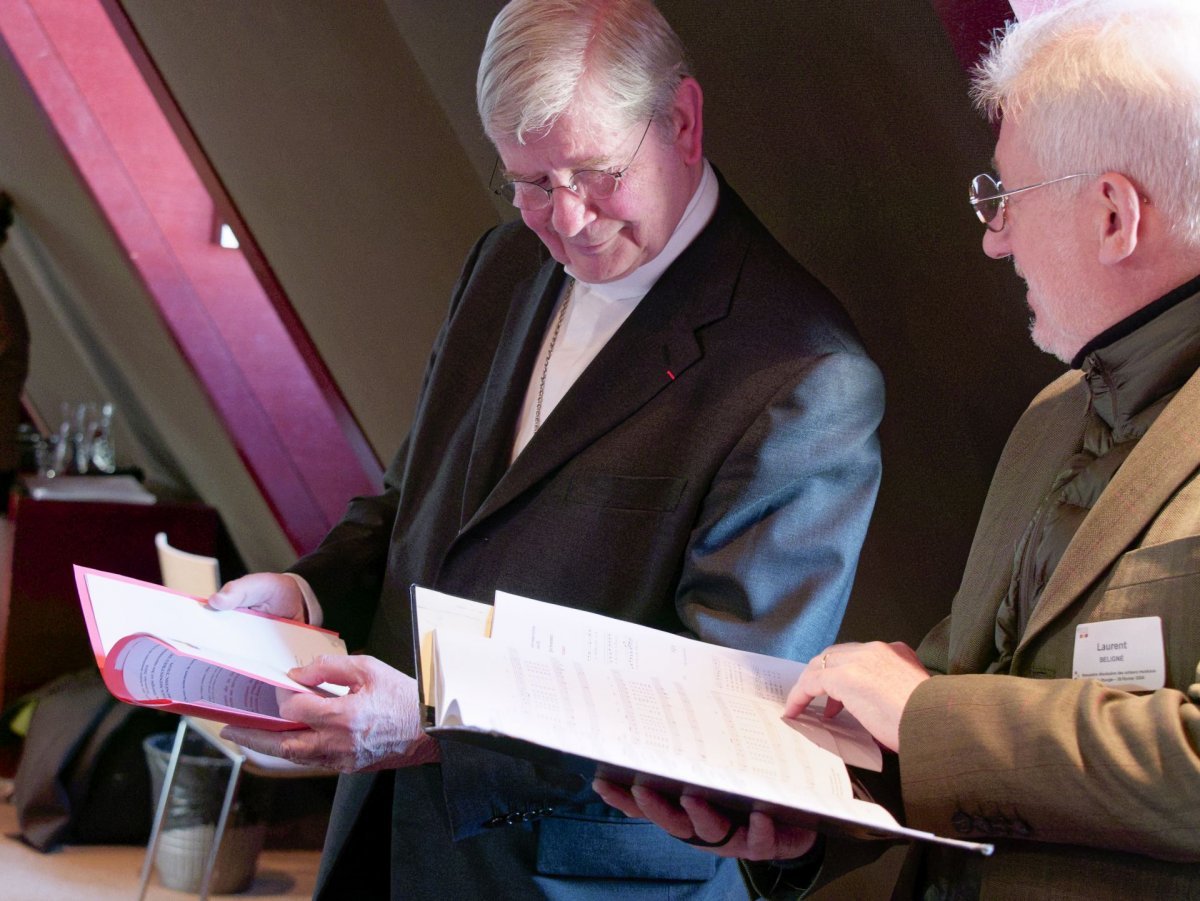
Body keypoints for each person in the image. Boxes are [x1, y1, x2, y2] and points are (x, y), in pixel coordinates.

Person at [212, 1, 884, 897]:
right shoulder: (500, 267)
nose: (565, 219)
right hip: (388, 841)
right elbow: (415, 508)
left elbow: (722, 714)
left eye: (595, 172)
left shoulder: (804, 374)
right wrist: (298, 590)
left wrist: (428, 727)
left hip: (576, 877)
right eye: (528, 181)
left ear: (682, 121)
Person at [595, 0, 1200, 897]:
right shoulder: (1052, 415)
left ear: (1113, 216)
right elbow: (955, 694)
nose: (993, 239)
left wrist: (919, 713)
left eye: (1005, 197)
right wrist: (799, 809)